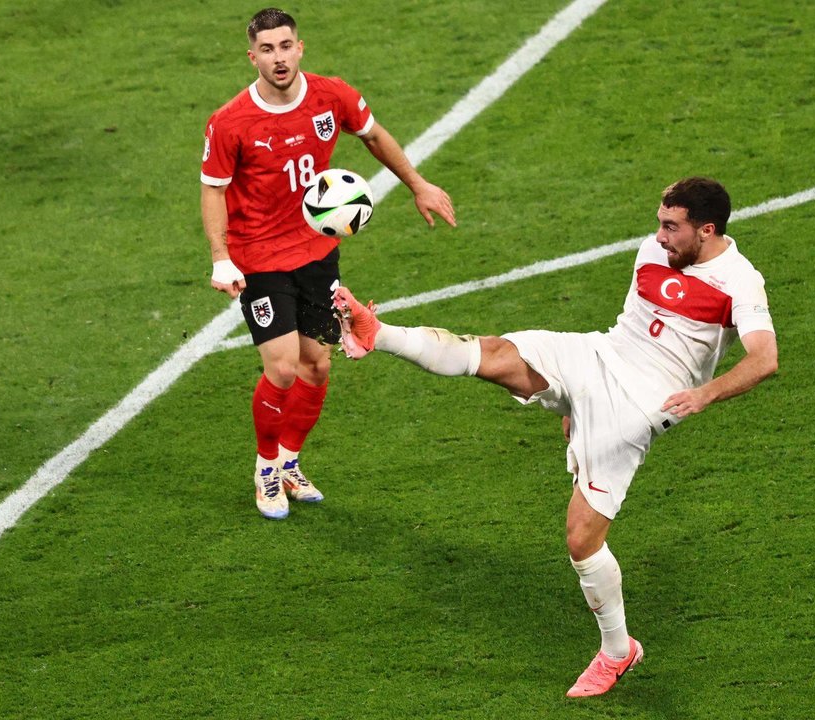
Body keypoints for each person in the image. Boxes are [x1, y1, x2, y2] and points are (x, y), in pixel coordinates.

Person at [332, 177, 777, 697]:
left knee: (581, 539)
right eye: (659, 221)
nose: (658, 235)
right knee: (494, 355)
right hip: (601, 354)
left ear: (706, 230)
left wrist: (705, 394)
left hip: (641, 402)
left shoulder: (740, 282)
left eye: (670, 227)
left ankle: (618, 651)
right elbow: (631, 328)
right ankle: (375, 333)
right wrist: (573, 399)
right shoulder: (652, 251)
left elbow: (764, 359)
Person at [200, 8, 456, 520]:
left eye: (285, 46)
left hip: (317, 254)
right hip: (260, 259)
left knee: (316, 367)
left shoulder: (330, 94)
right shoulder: (230, 122)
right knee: (282, 367)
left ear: (300, 48)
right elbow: (213, 189)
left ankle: (291, 462)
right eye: (267, 49)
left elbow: (374, 135)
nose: (278, 57)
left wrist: (418, 184)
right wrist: (221, 257)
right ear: (252, 57)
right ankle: (266, 468)